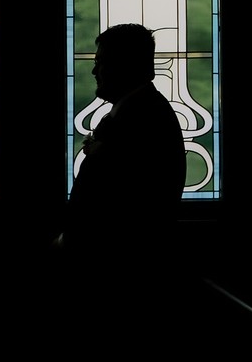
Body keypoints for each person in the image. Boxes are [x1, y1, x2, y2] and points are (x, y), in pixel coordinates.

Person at [61, 23, 185, 261]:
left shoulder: (143, 119)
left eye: (101, 62)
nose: (94, 71)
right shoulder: (141, 110)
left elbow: (116, 202)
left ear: (125, 65)